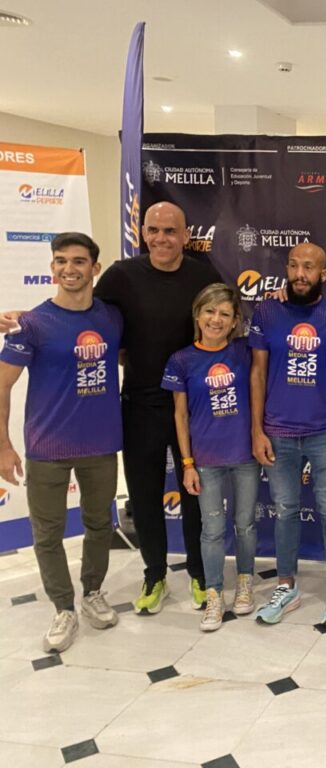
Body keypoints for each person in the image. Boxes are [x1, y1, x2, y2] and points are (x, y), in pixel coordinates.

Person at [0, 232, 122, 652]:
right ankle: (63, 608)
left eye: (78, 261)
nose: (69, 269)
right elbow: (2, 386)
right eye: (60, 261)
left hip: (102, 444)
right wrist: (3, 446)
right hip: (46, 448)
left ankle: (92, 593)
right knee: (47, 534)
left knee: (99, 524)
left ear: (95, 268)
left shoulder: (111, 318)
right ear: (52, 268)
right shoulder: (31, 323)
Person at [102, 202, 222, 614]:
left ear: (186, 236)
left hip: (193, 406)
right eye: (153, 230)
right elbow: (88, 321)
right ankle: (154, 574)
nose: (161, 238)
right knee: (144, 494)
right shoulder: (121, 275)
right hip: (141, 404)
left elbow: (226, 318)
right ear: (142, 233)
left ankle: (199, 574)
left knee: (195, 494)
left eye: (170, 231)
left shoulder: (203, 275)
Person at [249, 242, 326, 627]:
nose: (299, 274)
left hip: (325, 431)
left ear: (323, 275)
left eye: (308, 267)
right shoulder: (266, 309)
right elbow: (258, 373)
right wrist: (256, 429)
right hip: (278, 432)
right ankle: (286, 585)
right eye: (293, 265)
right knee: (285, 511)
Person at [162, 284, 259, 632]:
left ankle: (245, 579)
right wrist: (186, 463)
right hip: (205, 460)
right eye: (209, 311)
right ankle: (215, 592)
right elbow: (180, 417)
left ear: (235, 322)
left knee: (245, 524)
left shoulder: (245, 351)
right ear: (197, 315)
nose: (216, 319)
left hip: (246, 455)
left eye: (224, 314)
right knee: (212, 529)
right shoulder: (181, 360)